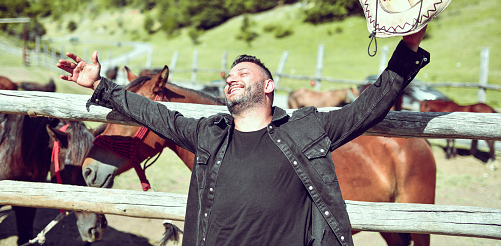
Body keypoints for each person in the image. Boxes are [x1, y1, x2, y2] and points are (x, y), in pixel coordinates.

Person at [57, 28, 429, 246]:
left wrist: (408, 47)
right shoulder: (208, 135)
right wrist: (100, 86)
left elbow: (368, 107)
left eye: (243, 72)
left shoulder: (305, 130)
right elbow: (153, 112)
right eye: (229, 75)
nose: (231, 77)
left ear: (268, 86)